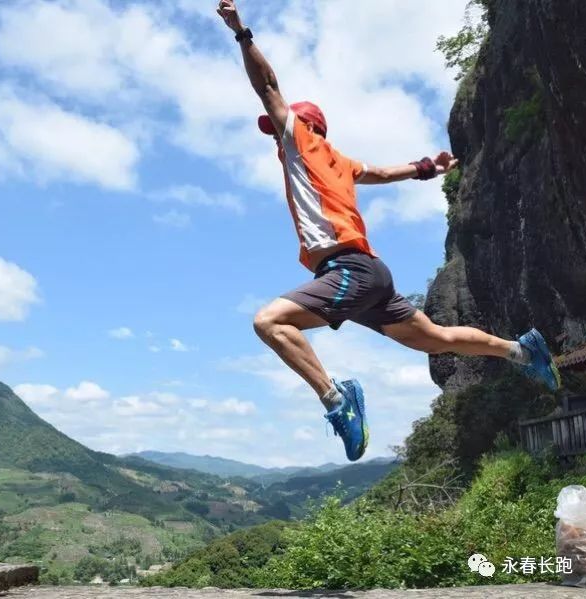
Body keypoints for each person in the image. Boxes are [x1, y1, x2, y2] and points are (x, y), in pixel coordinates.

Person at [217, 0, 561, 461]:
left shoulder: (300, 139)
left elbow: (268, 85)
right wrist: (425, 167)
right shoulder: (339, 162)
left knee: (269, 322)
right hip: (369, 277)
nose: (274, 137)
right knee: (436, 338)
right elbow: (378, 172)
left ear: (306, 125)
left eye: (276, 128)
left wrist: (241, 32)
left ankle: (338, 401)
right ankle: (522, 351)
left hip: (349, 270)